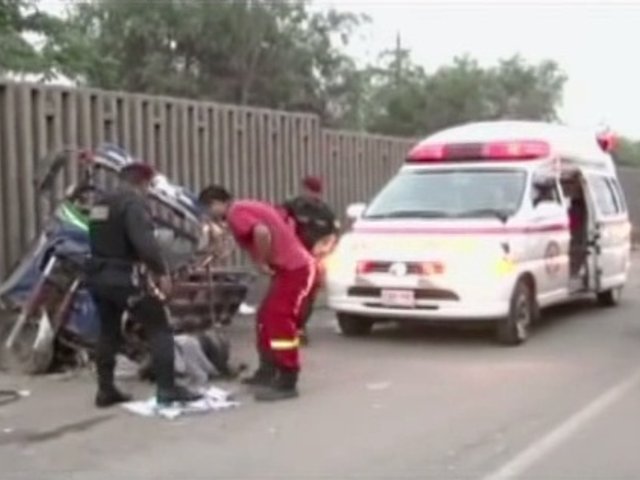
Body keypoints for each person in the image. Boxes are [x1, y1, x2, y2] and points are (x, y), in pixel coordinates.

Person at [86, 162, 202, 408]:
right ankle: (167, 389)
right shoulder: (133, 203)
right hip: (124, 276)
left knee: (108, 331)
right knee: (159, 326)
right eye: (149, 186)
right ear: (143, 182)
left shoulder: (100, 203)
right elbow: (144, 243)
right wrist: (161, 273)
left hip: (98, 275)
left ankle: (105, 390)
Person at [198, 185, 314, 401]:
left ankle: (288, 377)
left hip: (293, 269)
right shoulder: (247, 207)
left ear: (217, 203)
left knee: (278, 318)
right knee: (264, 317)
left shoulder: (235, 212)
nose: (209, 214)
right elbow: (281, 222)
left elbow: (261, 232)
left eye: (208, 208)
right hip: (292, 266)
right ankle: (267, 370)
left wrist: (261, 261)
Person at [281, 176, 339, 344]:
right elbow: (279, 227)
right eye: (311, 191)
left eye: (317, 192)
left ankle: (300, 328)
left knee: (308, 297)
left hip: (314, 260)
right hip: (291, 259)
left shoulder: (326, 212)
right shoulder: (291, 207)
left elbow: (333, 235)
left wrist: (325, 249)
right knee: (287, 294)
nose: (314, 196)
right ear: (304, 190)